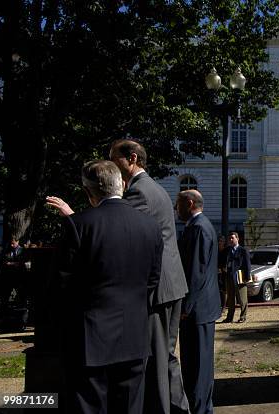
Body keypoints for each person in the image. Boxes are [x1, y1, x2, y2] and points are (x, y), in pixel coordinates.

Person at [47, 160, 163, 413]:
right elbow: (153, 280)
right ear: (122, 184)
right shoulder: (150, 226)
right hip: (134, 335)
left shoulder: (78, 225)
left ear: (89, 193)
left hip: (90, 338)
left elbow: (60, 285)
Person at [110, 139, 189, 414]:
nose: (111, 165)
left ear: (132, 159)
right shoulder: (155, 188)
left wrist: (77, 218)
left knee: (157, 358)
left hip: (159, 289)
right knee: (166, 357)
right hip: (172, 284)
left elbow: (116, 227)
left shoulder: (139, 193)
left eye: (114, 159)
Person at [175, 190, 220, 414]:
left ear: (190, 203)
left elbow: (196, 271)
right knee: (194, 364)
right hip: (199, 308)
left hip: (198, 309)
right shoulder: (199, 226)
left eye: (178, 204)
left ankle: (201, 409)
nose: (176, 208)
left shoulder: (200, 228)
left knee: (199, 366)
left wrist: (186, 306)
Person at [222, 232, 251, 323]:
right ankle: (229, 317)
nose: (231, 240)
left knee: (242, 299)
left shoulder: (243, 250)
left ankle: (243, 317)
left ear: (237, 239)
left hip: (240, 277)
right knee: (230, 299)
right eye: (229, 238)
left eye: (232, 238)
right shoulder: (227, 250)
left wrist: (247, 277)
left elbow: (247, 264)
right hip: (229, 277)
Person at [217, 236, 228, 314]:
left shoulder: (226, 251)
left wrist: (223, 268)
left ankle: (224, 306)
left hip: (224, 273)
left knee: (224, 290)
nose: (220, 242)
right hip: (216, 273)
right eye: (219, 241)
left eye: (221, 241)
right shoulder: (216, 251)